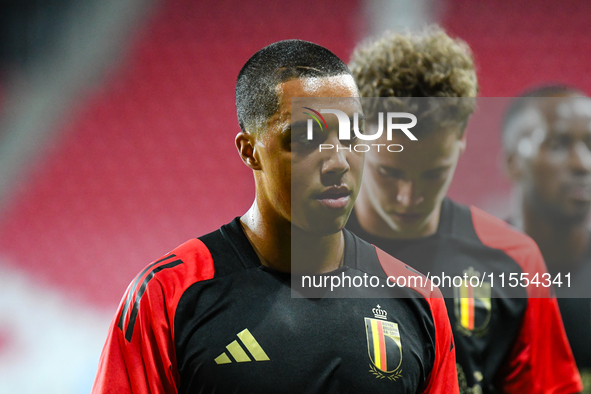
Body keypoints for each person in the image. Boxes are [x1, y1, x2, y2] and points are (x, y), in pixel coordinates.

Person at [91, 39, 459, 393]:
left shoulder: (418, 301)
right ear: (249, 150)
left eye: (351, 136)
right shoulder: (167, 297)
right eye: (306, 138)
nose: (338, 162)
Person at [347, 28, 582, 393]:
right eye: (389, 172)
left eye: (433, 174)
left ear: (461, 143)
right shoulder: (302, 250)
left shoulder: (515, 259)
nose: (409, 197)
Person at [502, 84, 591, 392]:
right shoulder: (465, 275)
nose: (582, 164)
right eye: (557, 145)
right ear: (513, 162)